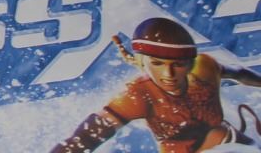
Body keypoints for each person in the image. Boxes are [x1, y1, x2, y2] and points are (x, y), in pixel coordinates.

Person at [49, 17, 261, 153]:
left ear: (190, 63)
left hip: (230, 143)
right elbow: (86, 138)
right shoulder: (138, 94)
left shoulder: (205, 67)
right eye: (157, 64)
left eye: (178, 65)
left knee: (221, 135)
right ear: (143, 63)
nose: (168, 75)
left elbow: (240, 73)